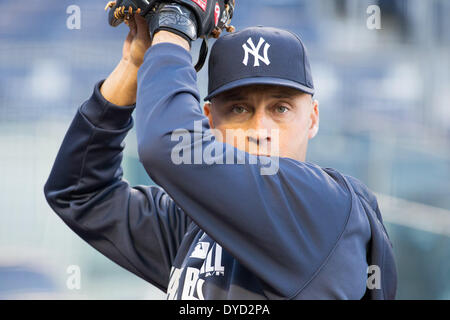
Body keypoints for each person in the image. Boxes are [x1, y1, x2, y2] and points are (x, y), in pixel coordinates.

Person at [44, 4, 397, 299]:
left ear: (313, 119)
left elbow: (167, 146)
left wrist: (174, 26)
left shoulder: (326, 208)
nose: (261, 131)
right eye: (239, 109)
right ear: (209, 120)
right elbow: (79, 193)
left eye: (281, 109)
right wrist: (136, 64)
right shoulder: (196, 222)